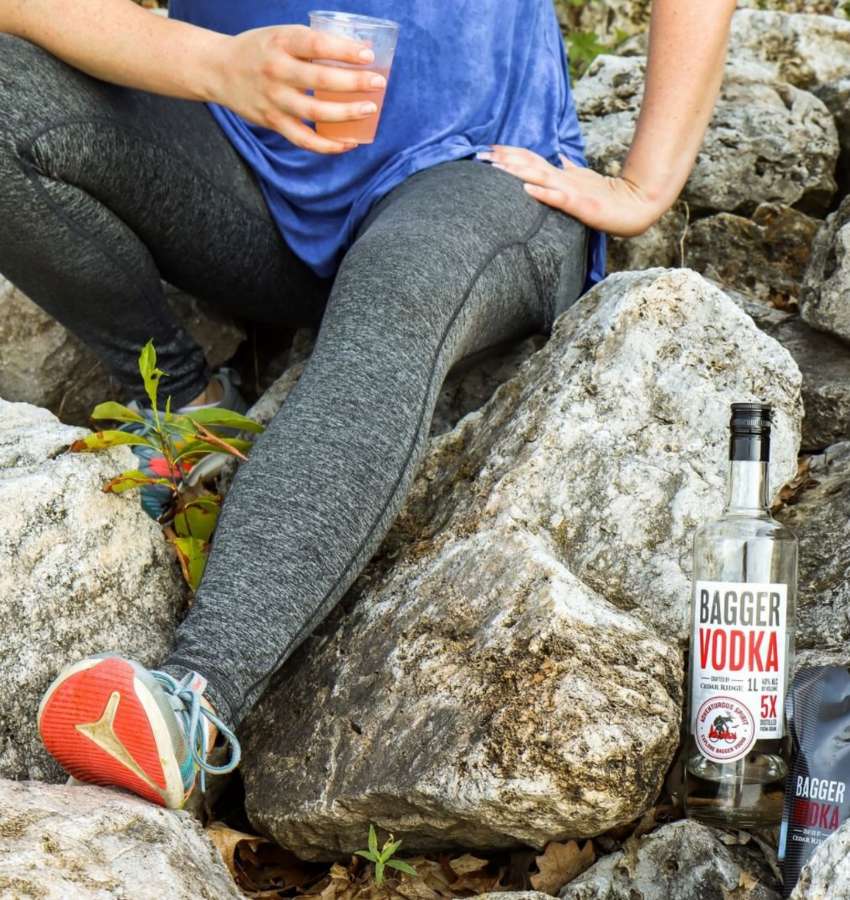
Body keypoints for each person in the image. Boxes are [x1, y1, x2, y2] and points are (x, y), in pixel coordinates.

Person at [0, 0, 736, 809]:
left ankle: (191, 702)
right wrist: (217, 67)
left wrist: (645, 183)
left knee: (399, 295)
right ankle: (189, 401)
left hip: (476, 176)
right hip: (238, 170)